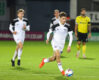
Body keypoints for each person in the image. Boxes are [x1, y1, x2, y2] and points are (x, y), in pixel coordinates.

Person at [39, 12, 73, 76]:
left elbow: (71, 36)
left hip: (61, 45)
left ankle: (44, 60)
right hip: (55, 42)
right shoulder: (55, 25)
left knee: (54, 58)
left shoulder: (68, 26)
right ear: (60, 18)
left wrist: (69, 46)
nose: (64, 20)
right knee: (58, 55)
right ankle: (62, 71)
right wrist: (48, 38)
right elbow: (49, 32)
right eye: (63, 19)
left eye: (65, 19)